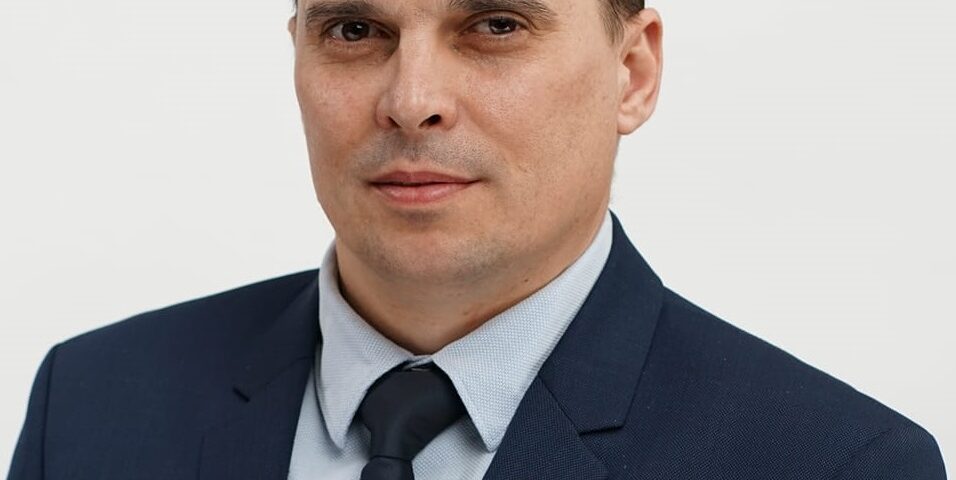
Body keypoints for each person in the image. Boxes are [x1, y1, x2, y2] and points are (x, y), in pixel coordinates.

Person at [7, 0, 947, 478]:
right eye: (354, 28)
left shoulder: (829, 465)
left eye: (495, 24)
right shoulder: (90, 410)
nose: (411, 99)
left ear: (632, 73)